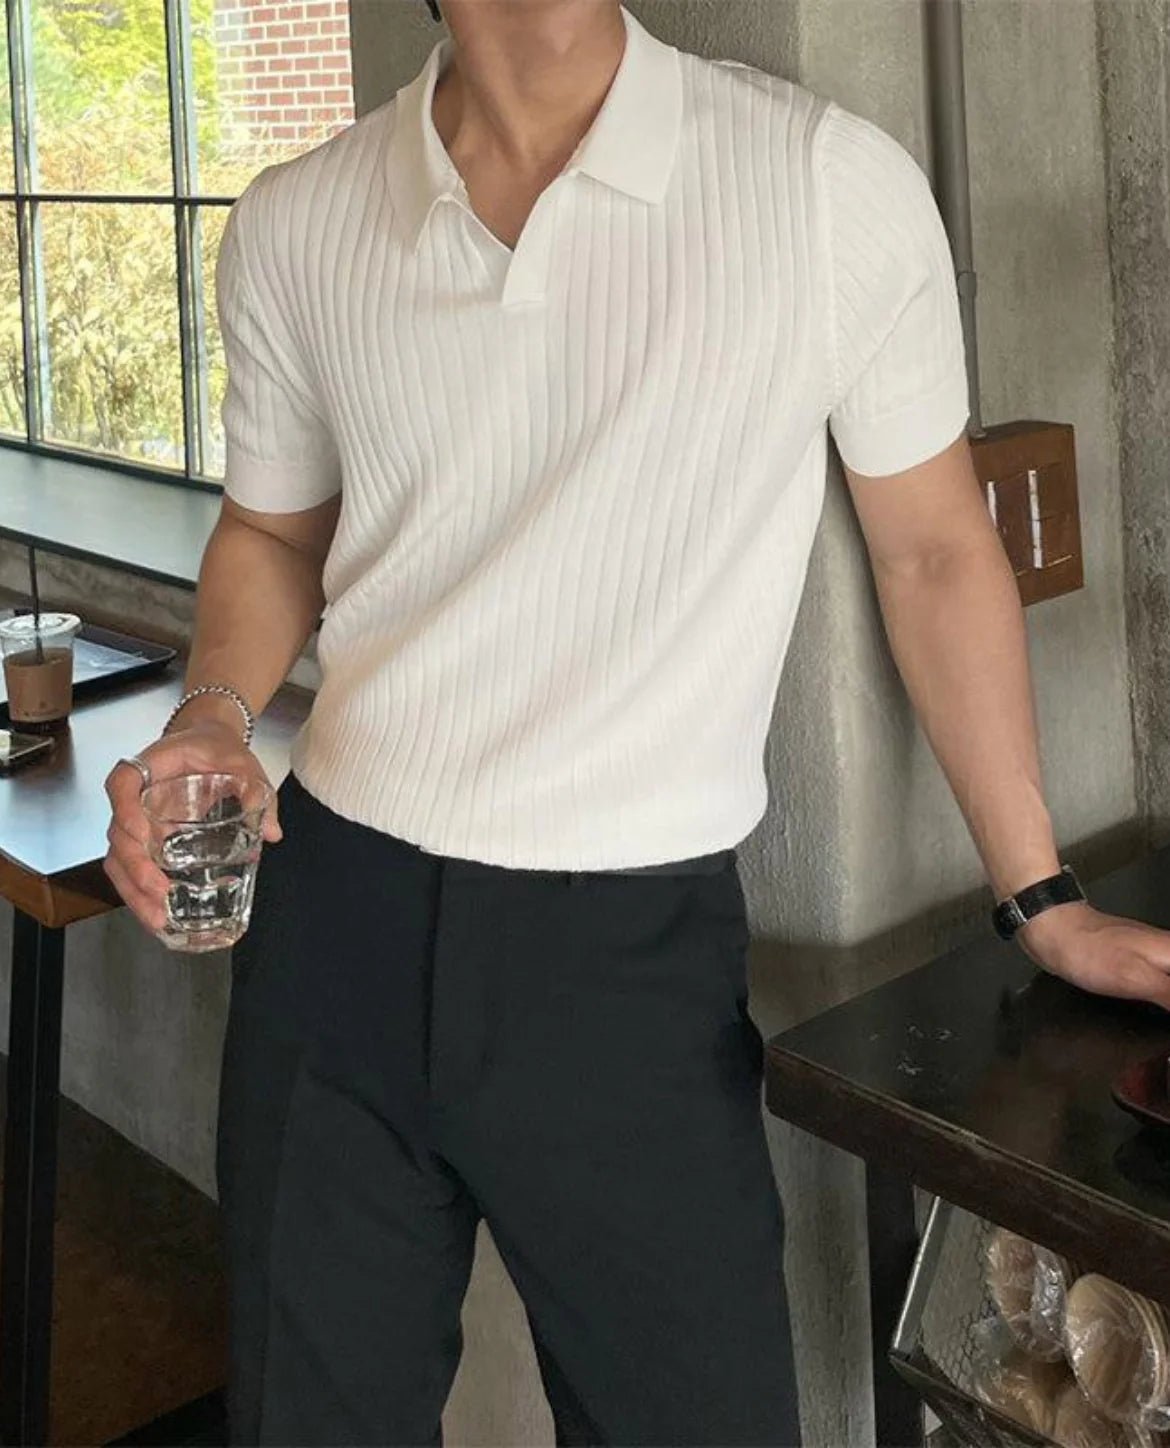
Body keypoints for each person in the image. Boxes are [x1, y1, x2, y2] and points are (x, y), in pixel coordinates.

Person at [103, 1, 1170, 1443]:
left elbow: (932, 551)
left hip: (624, 960)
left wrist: (1040, 897)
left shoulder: (819, 183)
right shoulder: (298, 220)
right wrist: (215, 715)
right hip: (332, 924)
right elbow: (272, 531)